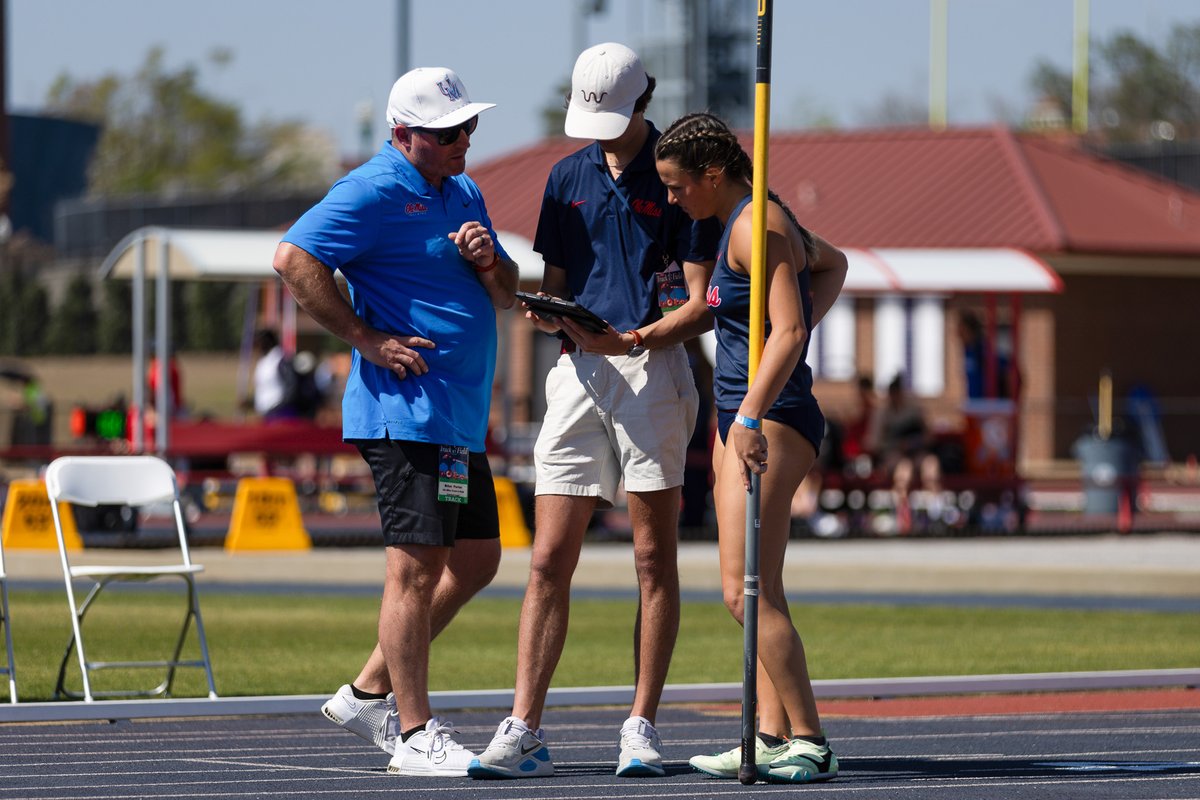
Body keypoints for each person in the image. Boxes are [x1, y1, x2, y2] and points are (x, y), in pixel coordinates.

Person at [468, 43, 720, 780]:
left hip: (652, 369)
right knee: (548, 558)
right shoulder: (567, 174)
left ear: (644, 103)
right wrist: (549, 317)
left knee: (652, 557)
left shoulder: (680, 177)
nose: (601, 130)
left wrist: (636, 337)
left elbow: (702, 302)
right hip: (576, 372)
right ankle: (524, 726)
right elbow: (558, 280)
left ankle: (640, 725)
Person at [272, 66, 517, 778]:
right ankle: (414, 733)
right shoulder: (372, 189)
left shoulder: (463, 188)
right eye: (446, 133)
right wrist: (364, 337)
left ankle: (366, 692)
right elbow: (293, 259)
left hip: (455, 416)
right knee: (414, 570)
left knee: (475, 560)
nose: (463, 141)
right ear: (403, 135)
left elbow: (505, 295)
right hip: (403, 413)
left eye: (468, 127)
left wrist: (489, 260)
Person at [653, 111, 847, 783]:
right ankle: (768, 734)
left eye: (678, 188)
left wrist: (750, 413)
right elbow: (835, 263)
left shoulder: (757, 226)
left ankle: (810, 740)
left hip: (771, 419)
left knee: (746, 592)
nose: (674, 200)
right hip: (745, 412)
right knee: (756, 587)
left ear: (712, 175)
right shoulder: (746, 222)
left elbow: (789, 332)